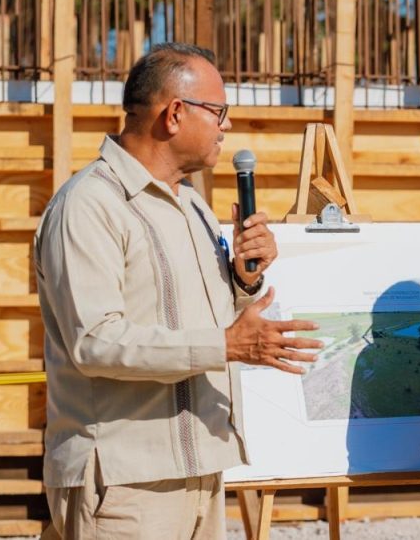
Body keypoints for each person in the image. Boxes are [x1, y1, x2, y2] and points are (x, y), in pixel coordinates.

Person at [35, 43, 323, 539]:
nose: (226, 126)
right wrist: (227, 345)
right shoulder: (89, 205)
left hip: (199, 469)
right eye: (218, 112)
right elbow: (95, 341)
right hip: (124, 484)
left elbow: (200, 320)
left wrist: (244, 279)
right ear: (174, 114)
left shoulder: (192, 206)